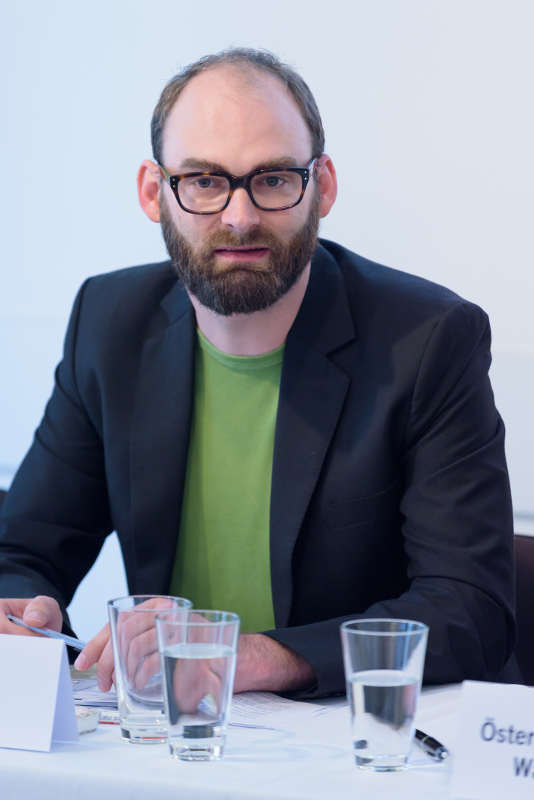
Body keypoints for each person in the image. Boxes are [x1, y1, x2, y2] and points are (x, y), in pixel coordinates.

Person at [0, 48, 519, 698]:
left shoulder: (428, 340)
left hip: (369, 736)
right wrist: (27, 615)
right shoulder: (109, 324)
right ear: (153, 192)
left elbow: (470, 610)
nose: (239, 216)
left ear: (322, 186)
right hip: (180, 738)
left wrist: (256, 657)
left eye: (273, 179)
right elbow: (23, 551)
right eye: (204, 180)